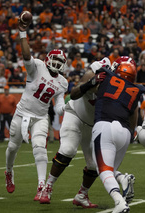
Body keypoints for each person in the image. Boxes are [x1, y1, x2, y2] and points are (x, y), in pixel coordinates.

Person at [4, 16, 68, 202]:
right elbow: (26, 55)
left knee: (40, 148)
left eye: (60, 60)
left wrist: (67, 107)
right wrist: (23, 32)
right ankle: (8, 171)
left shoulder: (62, 82)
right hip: (22, 113)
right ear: (48, 59)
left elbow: (58, 107)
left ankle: (42, 186)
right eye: (54, 59)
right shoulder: (37, 67)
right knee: (12, 147)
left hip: (40, 117)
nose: (57, 63)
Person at [40, 58, 111, 207]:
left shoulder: (114, 84)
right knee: (67, 150)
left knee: (94, 164)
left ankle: (82, 195)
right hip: (75, 115)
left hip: (92, 124)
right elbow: (73, 94)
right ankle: (47, 187)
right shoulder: (91, 75)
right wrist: (90, 83)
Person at [91, 61, 145, 212]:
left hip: (105, 125)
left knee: (104, 170)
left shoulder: (107, 76)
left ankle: (119, 202)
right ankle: (123, 179)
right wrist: (132, 132)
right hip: (124, 132)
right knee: (111, 169)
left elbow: (94, 73)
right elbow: (133, 115)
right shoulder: (135, 90)